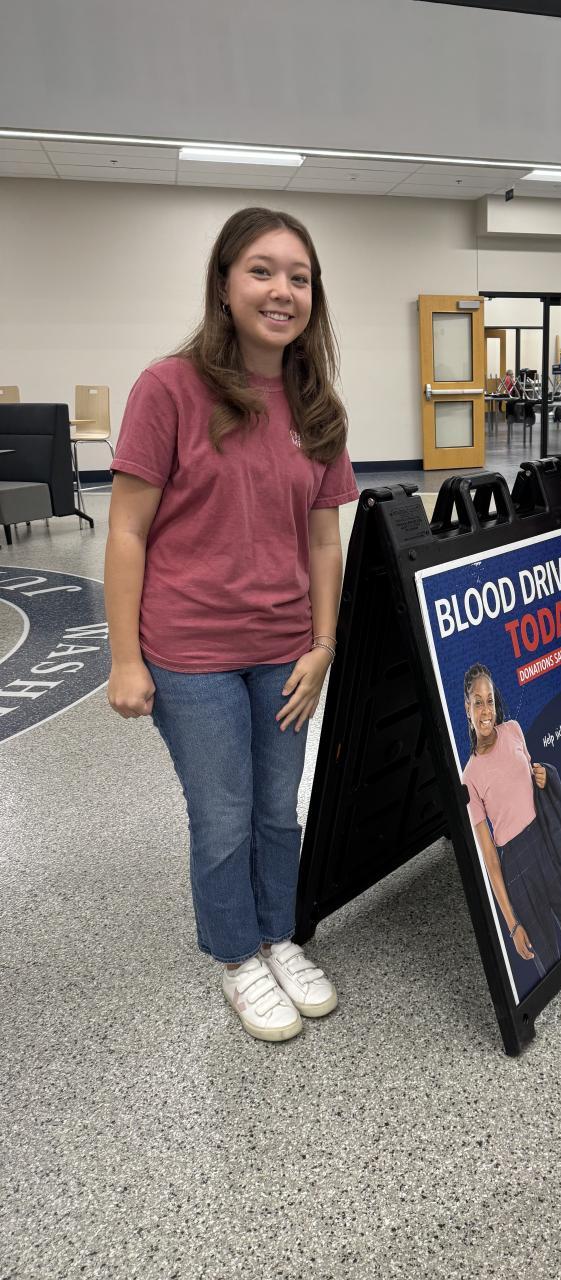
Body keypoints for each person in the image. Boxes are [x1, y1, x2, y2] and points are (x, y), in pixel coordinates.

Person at [104, 207, 359, 1042]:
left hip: (284, 650)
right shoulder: (169, 388)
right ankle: (236, 953)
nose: (282, 290)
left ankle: (278, 936)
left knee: (278, 810)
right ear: (223, 284)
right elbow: (127, 529)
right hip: (192, 656)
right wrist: (125, 659)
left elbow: (324, 540)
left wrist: (323, 645)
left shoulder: (316, 404)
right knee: (223, 815)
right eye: (261, 270)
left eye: (299, 277)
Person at [461, 663, 561, 978]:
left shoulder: (514, 730)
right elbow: (490, 858)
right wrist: (512, 925)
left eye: (489, 700)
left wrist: (543, 776)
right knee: (547, 961)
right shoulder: (469, 778)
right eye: (478, 702)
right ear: (467, 708)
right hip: (517, 867)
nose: (486, 710)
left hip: (547, 844)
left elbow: (532, 783)